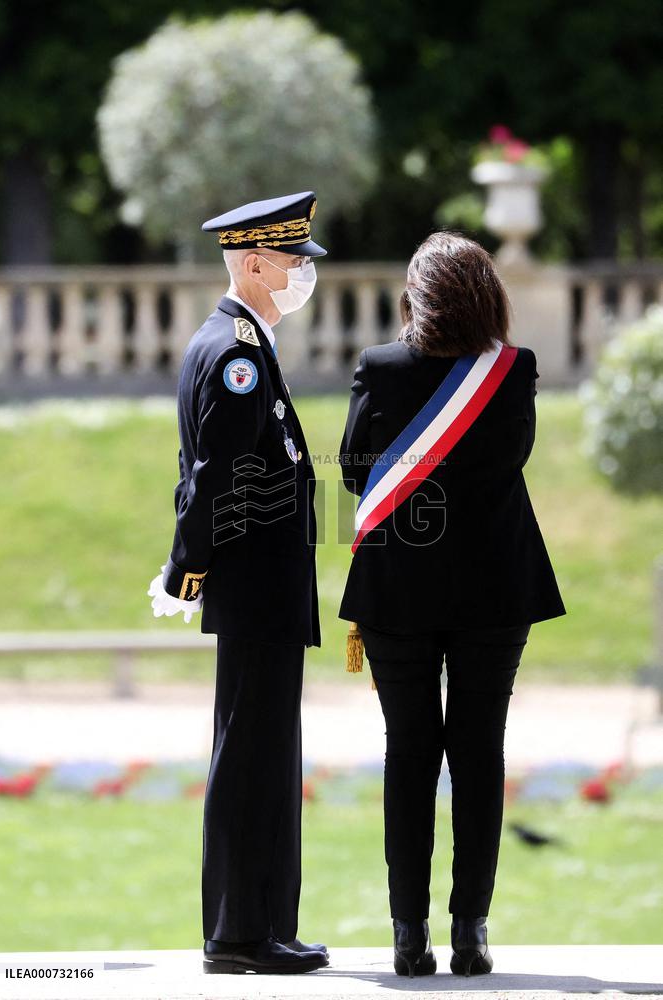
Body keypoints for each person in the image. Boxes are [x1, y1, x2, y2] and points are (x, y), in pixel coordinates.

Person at [338, 231, 566, 978]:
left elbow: (350, 474)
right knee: (478, 754)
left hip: (396, 590)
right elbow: (512, 457)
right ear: (487, 296)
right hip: (494, 590)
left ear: (416, 296)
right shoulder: (514, 370)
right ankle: (470, 932)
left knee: (408, 755)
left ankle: (408, 936)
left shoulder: (376, 367)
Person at [147, 191, 329, 975]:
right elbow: (216, 478)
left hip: (263, 591)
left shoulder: (241, 341)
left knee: (263, 753)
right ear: (254, 262)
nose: (302, 276)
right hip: (256, 589)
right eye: (293, 262)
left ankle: (257, 927)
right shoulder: (237, 353)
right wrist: (186, 571)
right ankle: (241, 933)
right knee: (254, 758)